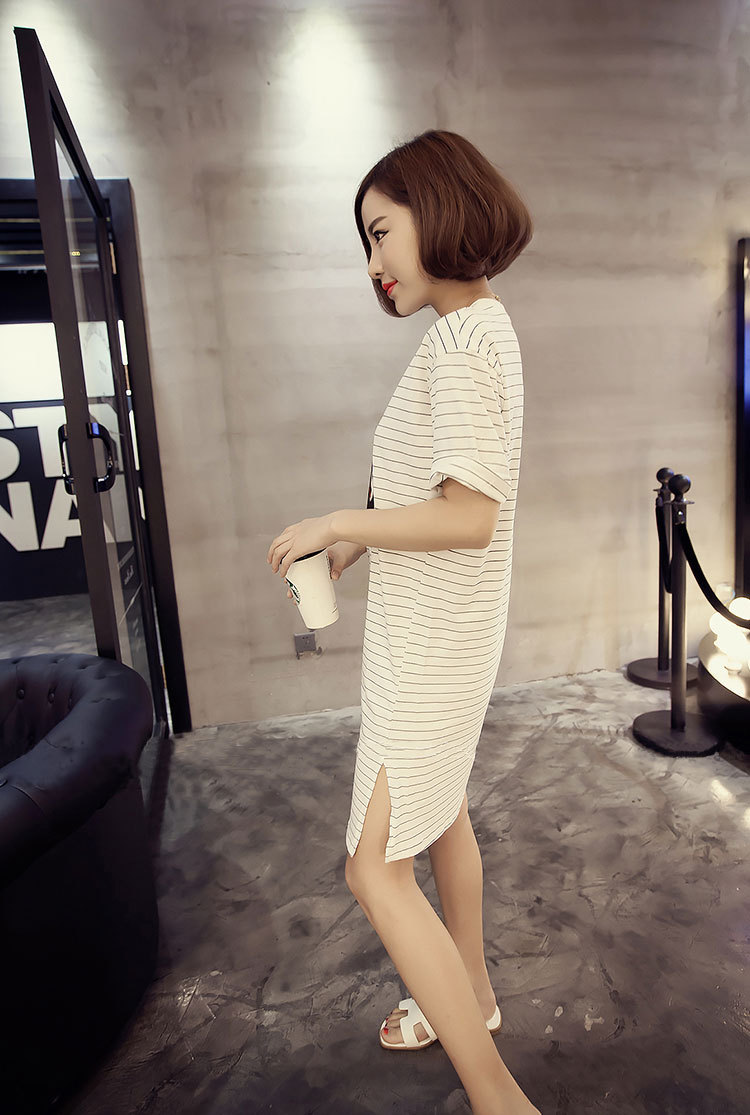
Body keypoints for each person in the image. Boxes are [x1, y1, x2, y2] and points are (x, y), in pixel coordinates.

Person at [337, 129, 538, 1115]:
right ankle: (476, 996)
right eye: (365, 243)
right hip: (444, 631)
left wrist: (338, 521)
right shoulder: (478, 328)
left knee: (375, 866)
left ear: (438, 207)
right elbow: (436, 489)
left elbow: (469, 514)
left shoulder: (459, 345)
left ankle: (500, 1100)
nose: (372, 262)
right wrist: (356, 540)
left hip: (430, 644)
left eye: (381, 232)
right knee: (442, 807)